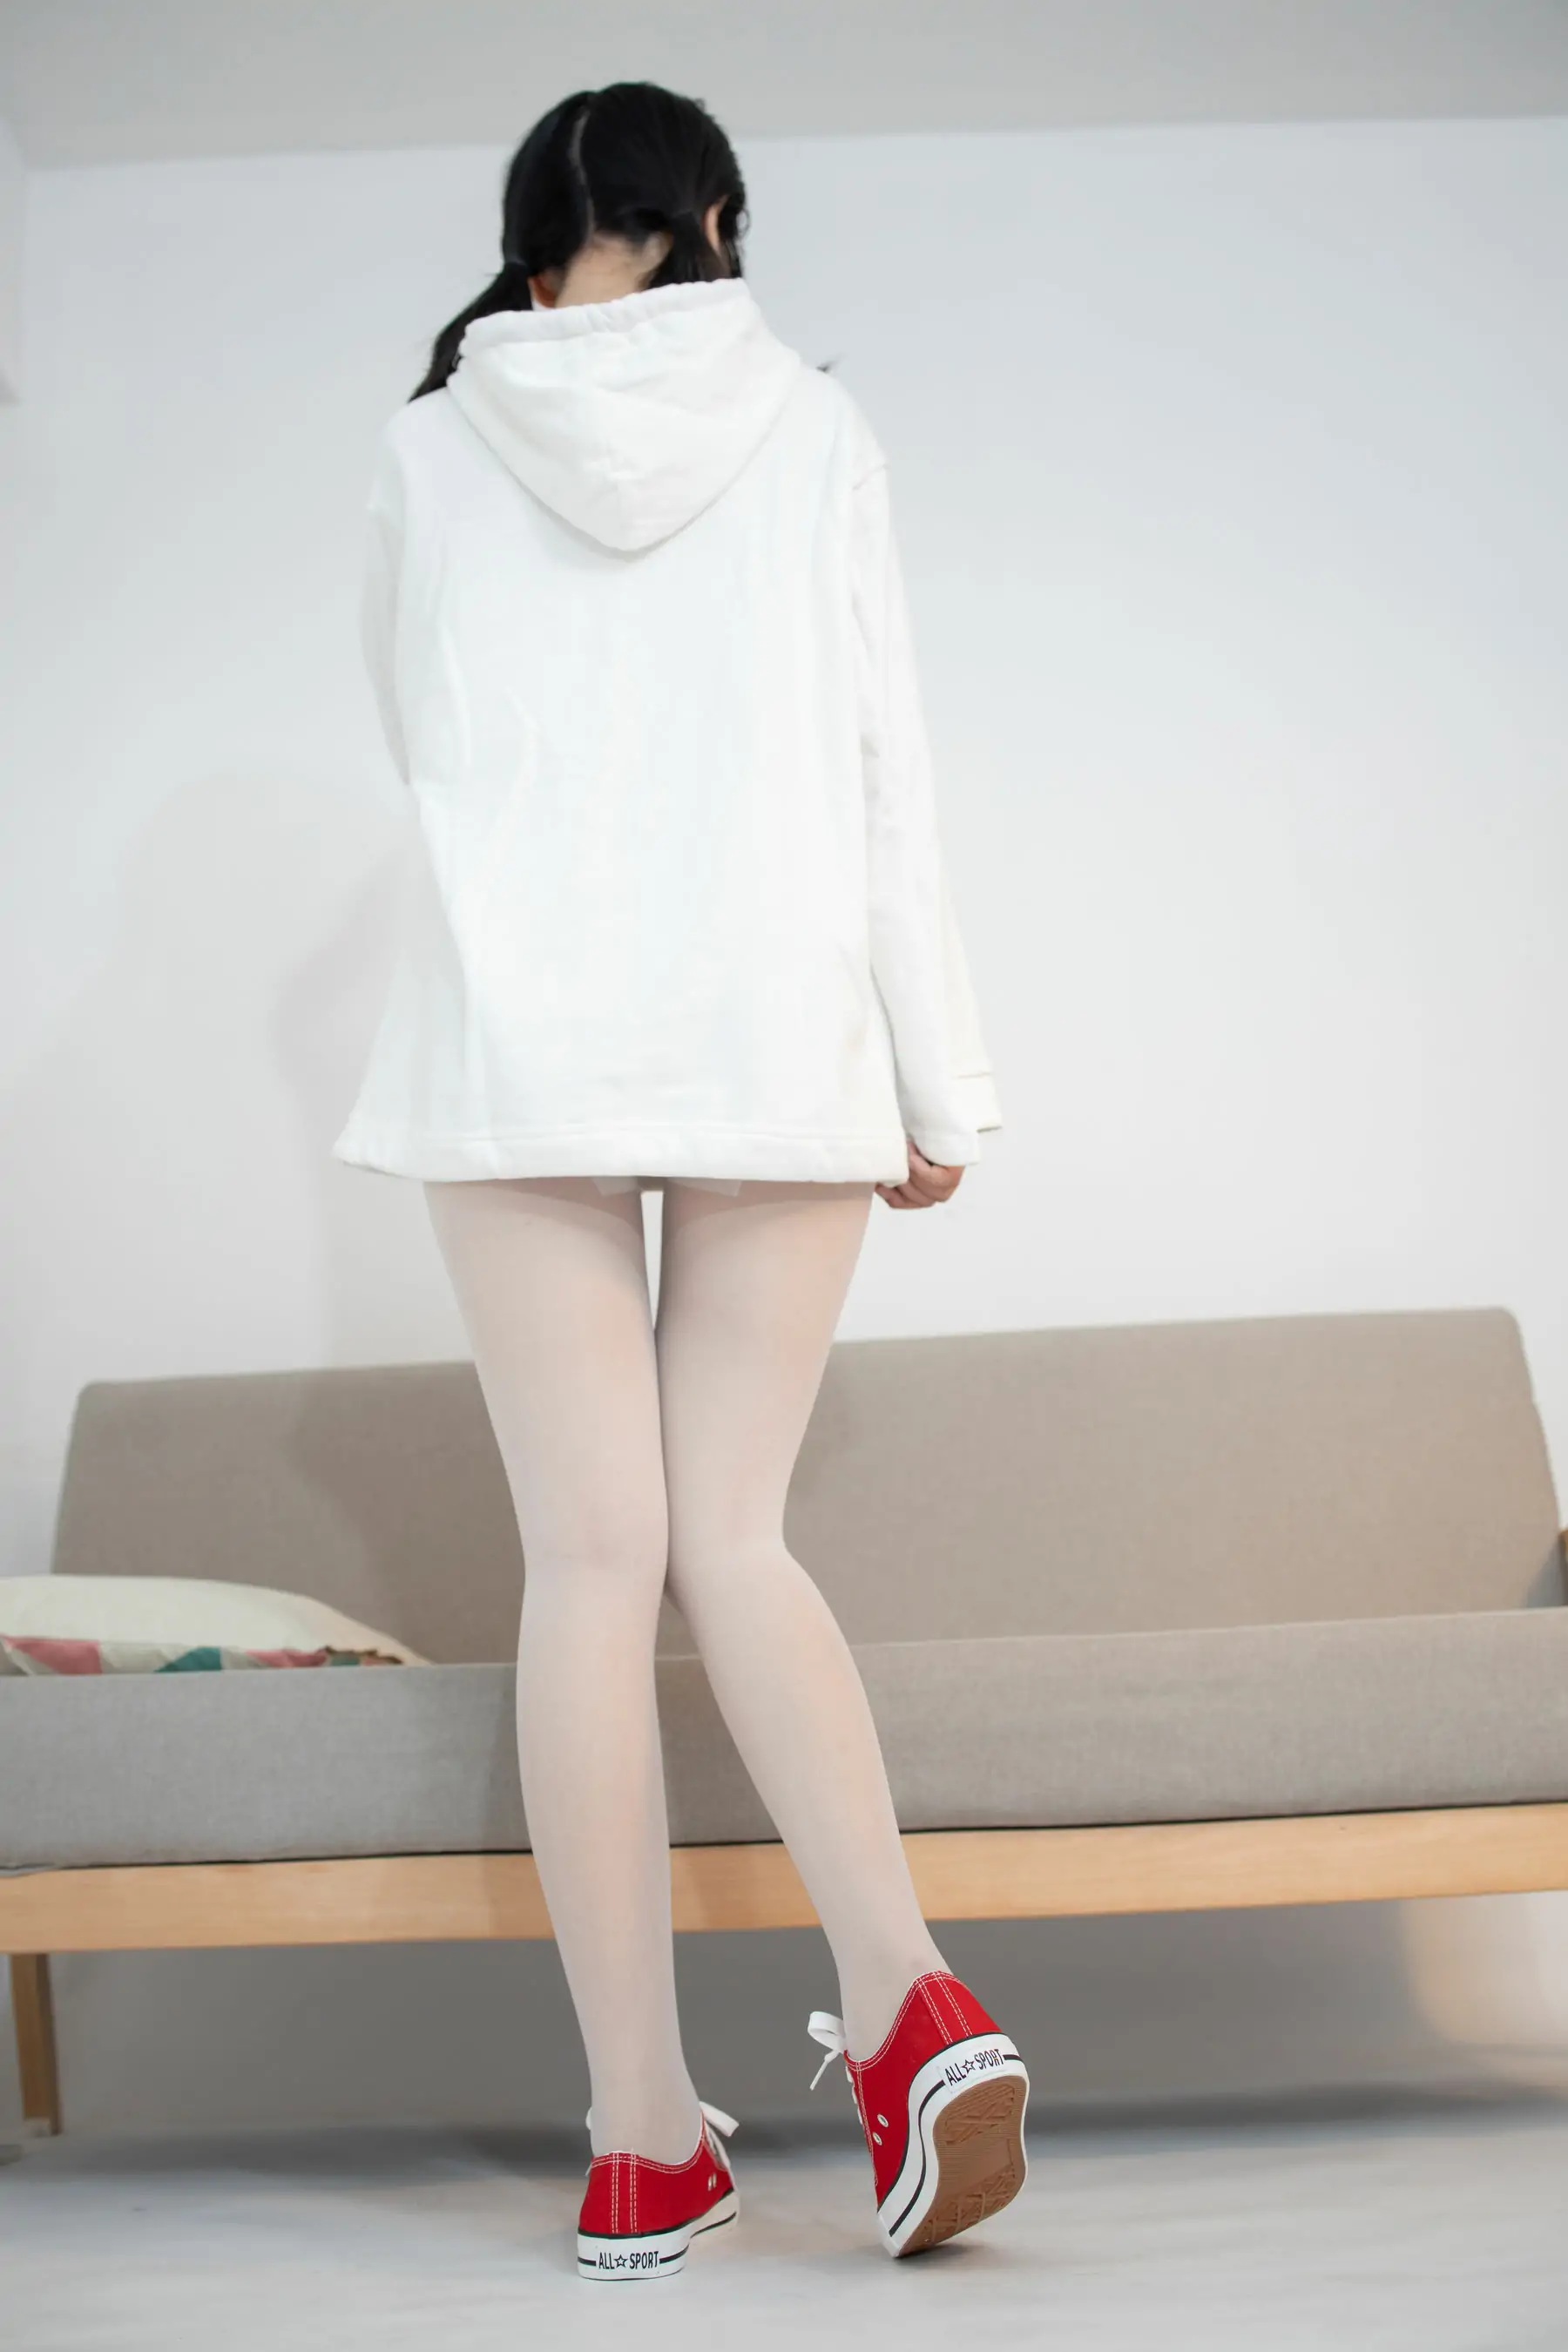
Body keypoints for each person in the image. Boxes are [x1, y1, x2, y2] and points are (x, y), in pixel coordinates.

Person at [330, 79, 1027, 2281]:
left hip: (516, 1038)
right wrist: (934, 1073)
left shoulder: (433, 441)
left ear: (534, 235)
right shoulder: (811, 424)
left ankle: (642, 2145)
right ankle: (912, 2000)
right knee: (735, 1534)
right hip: (768, 1021)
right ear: (715, 215)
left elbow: (417, 731)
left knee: (588, 1566)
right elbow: (881, 760)